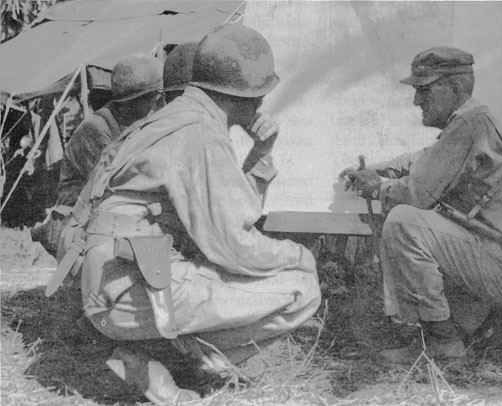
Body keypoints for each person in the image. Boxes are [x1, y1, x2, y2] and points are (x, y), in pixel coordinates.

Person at [49, 24, 320, 404]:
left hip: (110, 282)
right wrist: (300, 256)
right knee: (301, 288)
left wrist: (259, 154)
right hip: (130, 288)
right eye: (259, 96)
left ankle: (149, 361)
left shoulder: (170, 120)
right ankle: (191, 360)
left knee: (227, 274)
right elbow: (235, 244)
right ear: (242, 94)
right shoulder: (198, 133)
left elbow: (225, 210)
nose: (260, 106)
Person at [341, 47, 502, 363]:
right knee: (430, 226)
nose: (417, 101)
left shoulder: (470, 124)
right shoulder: (476, 121)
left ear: (455, 88)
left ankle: (443, 344)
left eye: (424, 90)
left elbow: (415, 194)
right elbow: (426, 159)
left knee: (405, 222)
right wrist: (380, 168)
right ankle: (460, 328)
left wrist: (377, 188)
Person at [56, 54, 165, 206]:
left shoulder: (134, 122)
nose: (161, 104)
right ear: (135, 100)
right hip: (79, 216)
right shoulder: (94, 130)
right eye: (157, 97)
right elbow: (109, 185)